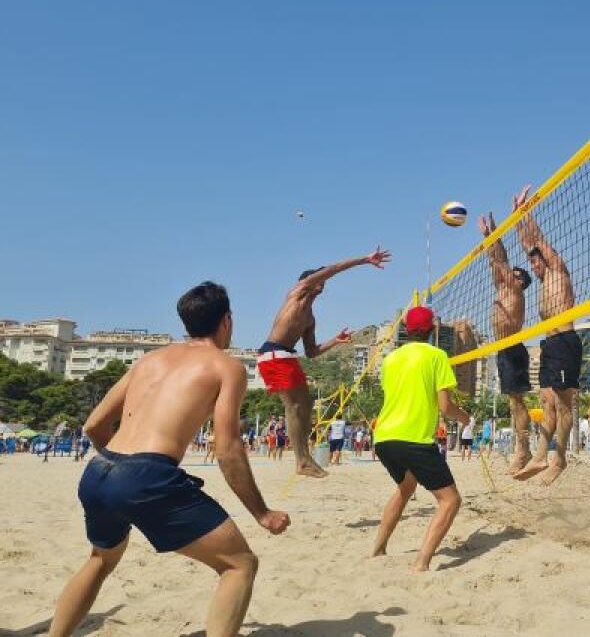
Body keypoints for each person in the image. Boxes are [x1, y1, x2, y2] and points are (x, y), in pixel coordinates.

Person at [48, 282, 289, 637]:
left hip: (99, 471)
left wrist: (119, 470)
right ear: (227, 321)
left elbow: (94, 425)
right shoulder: (227, 367)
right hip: (147, 476)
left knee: (100, 560)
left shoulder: (150, 360)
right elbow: (228, 448)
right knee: (240, 565)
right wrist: (262, 514)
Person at [258, 247, 392, 478]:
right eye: (319, 278)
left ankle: (303, 457)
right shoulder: (298, 291)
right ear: (308, 281)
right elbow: (333, 269)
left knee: (306, 405)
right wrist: (365, 259)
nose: (323, 283)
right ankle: (302, 460)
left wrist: (336, 341)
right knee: (295, 406)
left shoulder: (310, 318)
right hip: (273, 354)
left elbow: (311, 352)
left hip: (286, 356)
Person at [370, 306, 471, 571]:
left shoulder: (391, 359)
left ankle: (378, 549)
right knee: (450, 500)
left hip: (383, 437)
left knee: (405, 488)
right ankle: (421, 563)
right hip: (413, 438)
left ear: (406, 330)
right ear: (432, 330)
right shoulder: (437, 355)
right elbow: (445, 407)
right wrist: (465, 418)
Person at [511, 185, 582, 485]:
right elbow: (529, 244)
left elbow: (536, 240)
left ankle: (560, 458)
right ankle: (541, 456)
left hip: (566, 342)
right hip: (550, 345)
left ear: (547, 258)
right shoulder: (542, 282)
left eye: (535, 260)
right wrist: (516, 219)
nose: (533, 265)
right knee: (547, 403)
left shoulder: (557, 269)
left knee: (564, 405)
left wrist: (525, 213)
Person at [478, 212, 535, 475]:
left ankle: (523, 450)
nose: (505, 275)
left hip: (513, 349)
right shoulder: (504, 289)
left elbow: (500, 261)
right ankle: (523, 449)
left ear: (520, 281)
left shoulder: (513, 289)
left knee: (517, 402)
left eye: (511, 274)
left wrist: (491, 236)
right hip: (504, 349)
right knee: (514, 403)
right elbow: (496, 263)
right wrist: (491, 238)